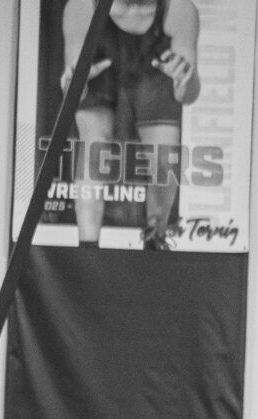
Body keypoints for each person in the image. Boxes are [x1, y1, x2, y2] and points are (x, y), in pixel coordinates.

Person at [60, 0, 202, 248]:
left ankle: (155, 238)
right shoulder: (82, 7)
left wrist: (184, 80)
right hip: (99, 71)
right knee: (95, 146)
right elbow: (73, 94)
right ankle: (88, 246)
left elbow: (187, 95)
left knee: (164, 154)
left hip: (153, 71)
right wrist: (75, 82)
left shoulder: (178, 9)